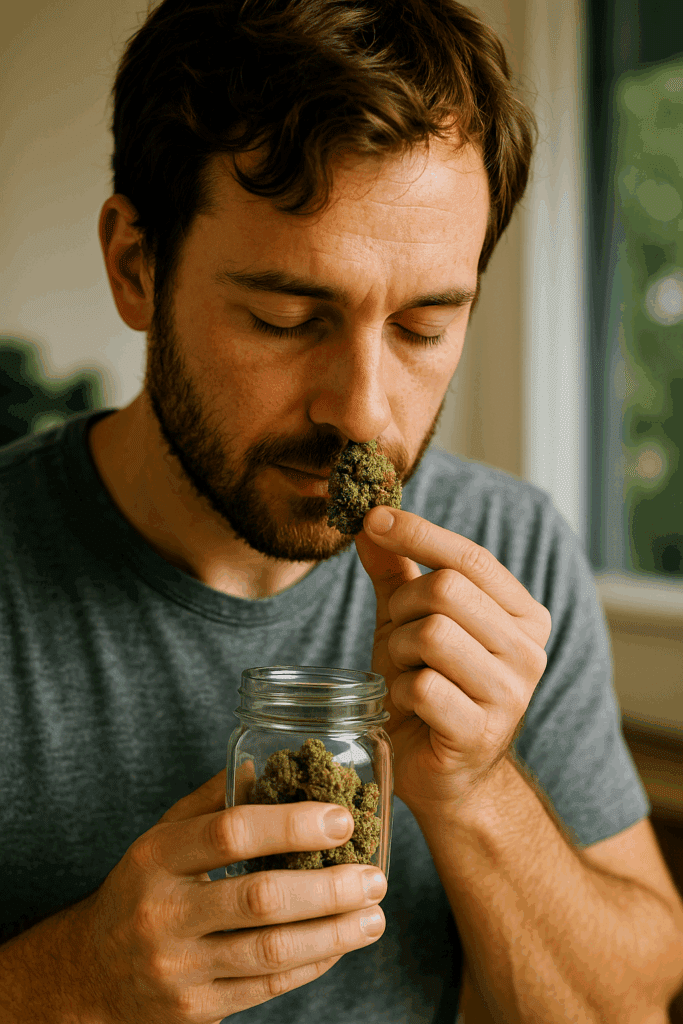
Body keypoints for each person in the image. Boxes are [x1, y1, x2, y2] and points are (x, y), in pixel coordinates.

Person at [1, 0, 682, 1021]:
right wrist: (71, 983)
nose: (362, 411)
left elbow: (626, 1005)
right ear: (135, 265)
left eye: (421, 325)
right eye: (285, 317)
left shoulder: (508, 548)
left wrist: (475, 788)